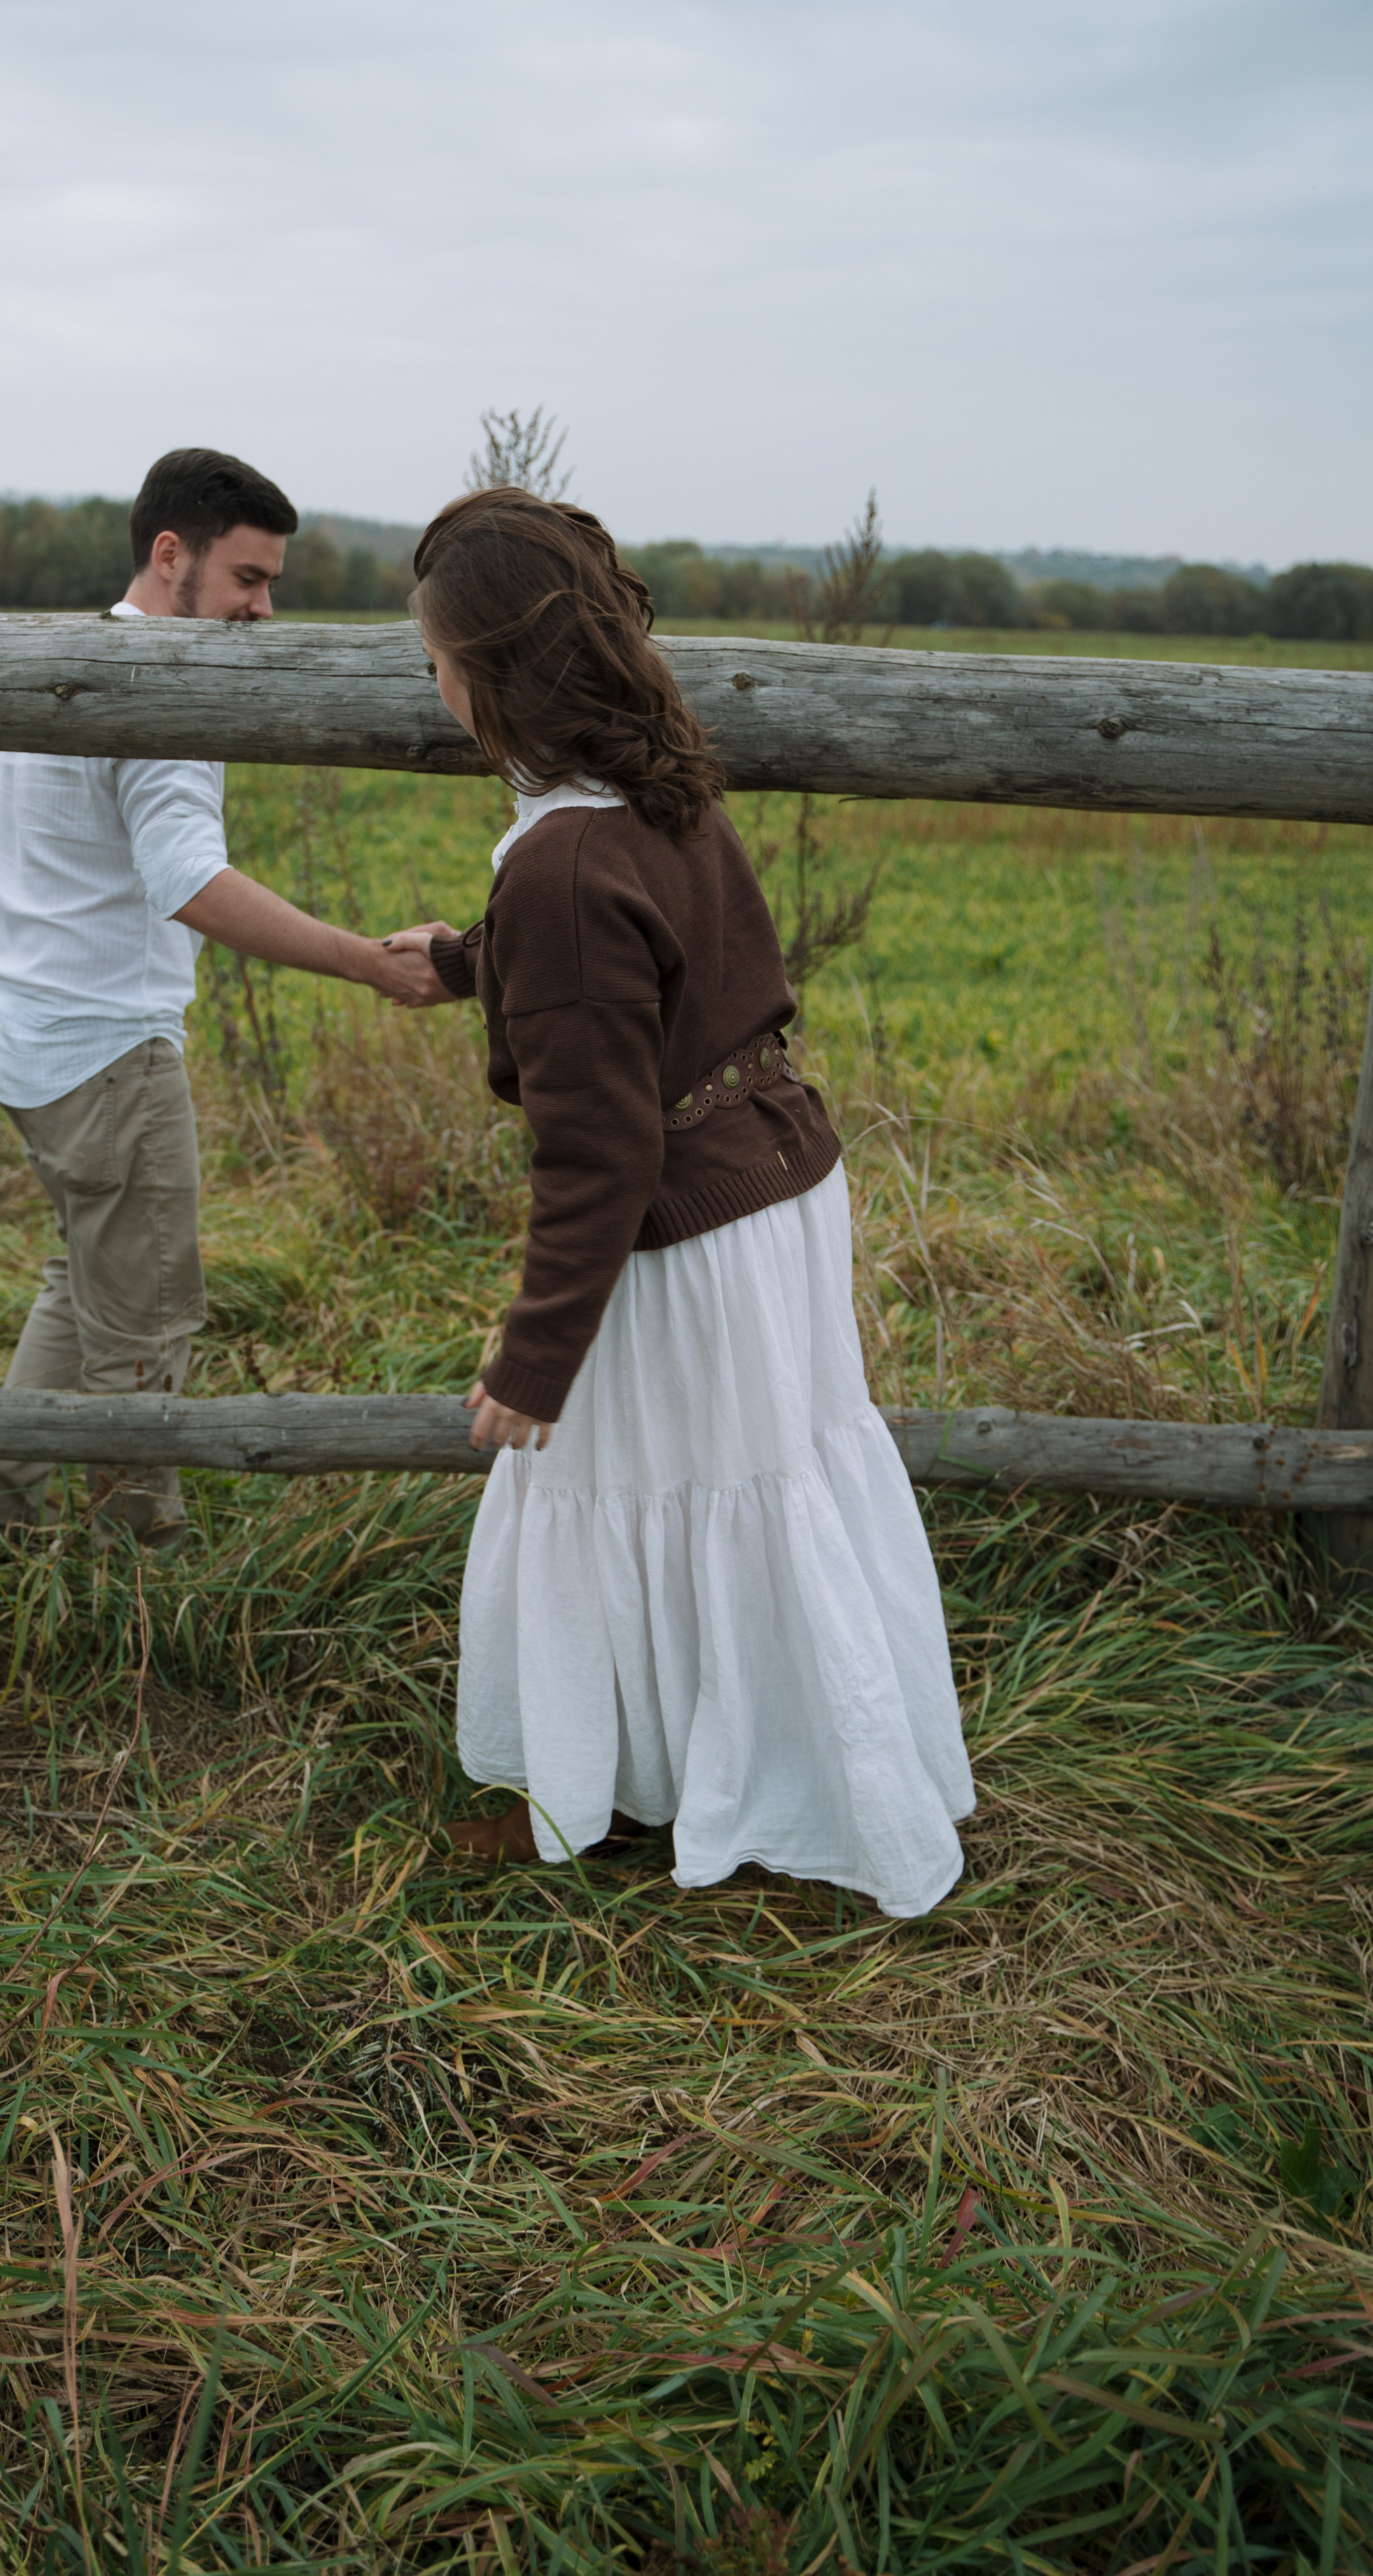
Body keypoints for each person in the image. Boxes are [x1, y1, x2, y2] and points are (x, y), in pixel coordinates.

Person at [385, 488, 973, 1918]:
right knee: (754, 1483)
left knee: (601, 1481)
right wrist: (475, 958)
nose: (429, 679)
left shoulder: (562, 865)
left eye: (435, 656)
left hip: (680, 1239)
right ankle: (754, 1768)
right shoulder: (649, 790)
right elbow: (641, 962)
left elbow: (597, 1157)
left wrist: (534, 1364)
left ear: (496, 672)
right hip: (769, 1187)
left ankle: (621, 1797)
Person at [0, 446, 442, 1546]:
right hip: (105, 1056)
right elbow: (190, 882)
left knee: (81, 1277)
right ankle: (142, 1562)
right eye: (246, 580)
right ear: (168, 555)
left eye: (272, 583)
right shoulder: (163, 691)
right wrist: (368, 961)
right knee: (143, 1323)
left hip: (20, 1039)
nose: (264, 610)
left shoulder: (48, 659)